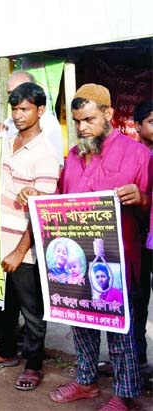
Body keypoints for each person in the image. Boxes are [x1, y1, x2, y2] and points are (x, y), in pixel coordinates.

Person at [49, 84, 150, 411]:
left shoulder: (138, 155)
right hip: (79, 261)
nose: (82, 128)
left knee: (122, 332)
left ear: (108, 114)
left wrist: (143, 198)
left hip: (121, 259)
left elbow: (151, 209)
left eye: (89, 119)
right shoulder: (74, 157)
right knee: (83, 325)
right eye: (77, 121)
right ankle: (86, 381)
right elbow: (62, 203)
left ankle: (124, 393)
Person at [0, 83, 61, 392]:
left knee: (32, 312)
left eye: (24, 109)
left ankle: (34, 366)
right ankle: (6, 352)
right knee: (5, 304)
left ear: (40, 111)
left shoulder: (46, 154)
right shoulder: (7, 141)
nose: (18, 115)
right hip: (0, 240)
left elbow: (41, 214)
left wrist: (19, 253)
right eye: (14, 109)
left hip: (26, 249)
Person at [0, 70, 64, 166]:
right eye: (10, 93)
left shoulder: (49, 123)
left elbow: (58, 165)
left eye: (18, 91)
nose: (13, 96)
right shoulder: (8, 123)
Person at [133, 101, 153, 370]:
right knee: (137, 302)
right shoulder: (131, 154)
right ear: (137, 125)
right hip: (135, 239)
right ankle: (137, 361)